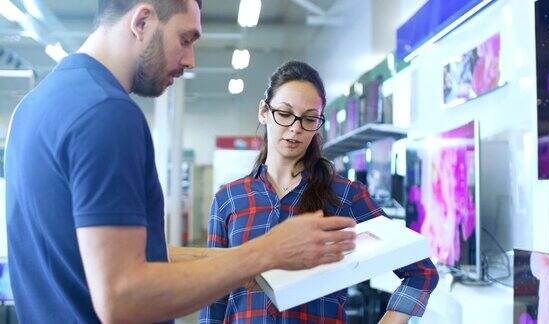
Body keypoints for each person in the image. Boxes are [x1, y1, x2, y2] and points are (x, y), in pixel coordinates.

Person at [5, 1, 359, 323]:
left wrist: (253, 268)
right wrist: (264, 252)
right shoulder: (107, 113)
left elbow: (133, 257)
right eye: (185, 39)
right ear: (142, 20)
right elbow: (123, 296)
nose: (190, 61)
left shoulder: (30, 110)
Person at [199, 61, 439, 324]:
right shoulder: (229, 199)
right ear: (264, 112)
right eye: (285, 113)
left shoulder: (345, 196)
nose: (295, 128)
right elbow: (214, 294)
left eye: (309, 119)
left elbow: (421, 271)